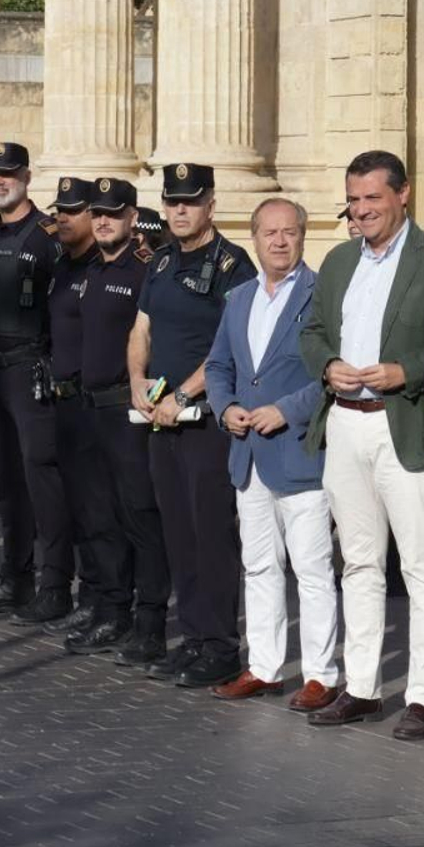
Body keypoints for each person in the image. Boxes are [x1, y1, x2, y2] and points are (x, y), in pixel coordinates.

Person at [298, 151, 424, 735]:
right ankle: (362, 687)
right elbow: (312, 331)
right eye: (355, 199)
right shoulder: (339, 259)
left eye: (373, 198)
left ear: (404, 194)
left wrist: (404, 372)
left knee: (422, 566)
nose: (362, 210)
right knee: (359, 561)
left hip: (406, 423)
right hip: (344, 423)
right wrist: (329, 365)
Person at [206, 198, 341, 710]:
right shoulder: (238, 297)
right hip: (247, 452)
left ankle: (320, 675)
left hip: (299, 451)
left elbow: (330, 372)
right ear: (255, 238)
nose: (279, 242)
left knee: (311, 568)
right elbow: (219, 366)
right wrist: (225, 407)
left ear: (303, 237)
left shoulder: (321, 294)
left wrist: (287, 410)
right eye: (269, 233)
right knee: (259, 565)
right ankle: (264, 667)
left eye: (289, 232)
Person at [128, 162, 258, 687]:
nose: (180, 210)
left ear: (210, 204)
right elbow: (142, 328)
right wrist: (136, 378)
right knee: (177, 534)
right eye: (172, 201)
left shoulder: (233, 266)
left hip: (204, 422)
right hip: (159, 419)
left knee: (211, 537)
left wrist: (183, 392)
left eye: (191, 201)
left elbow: (229, 344)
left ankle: (222, 646)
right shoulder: (158, 263)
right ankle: (195, 638)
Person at [0, 142, 73, 623]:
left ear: (27, 176)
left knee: (42, 480)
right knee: (7, 479)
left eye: (7, 173)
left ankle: (55, 586)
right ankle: (16, 578)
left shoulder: (47, 234)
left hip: (32, 369)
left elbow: (64, 305)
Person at [72, 179, 172, 660]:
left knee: (139, 519)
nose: (103, 221)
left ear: (134, 217)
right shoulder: (90, 269)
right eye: (97, 214)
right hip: (90, 409)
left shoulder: (144, 271)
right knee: (100, 519)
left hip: (128, 411)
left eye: (113, 213)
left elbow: (154, 342)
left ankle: (150, 624)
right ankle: (113, 612)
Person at [40, 176, 123, 637]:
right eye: (60, 210)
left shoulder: (106, 267)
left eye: (74, 210)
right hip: (65, 402)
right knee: (82, 512)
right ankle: (90, 596)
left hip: (100, 405)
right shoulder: (63, 267)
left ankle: (110, 604)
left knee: (106, 513)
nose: (63, 218)